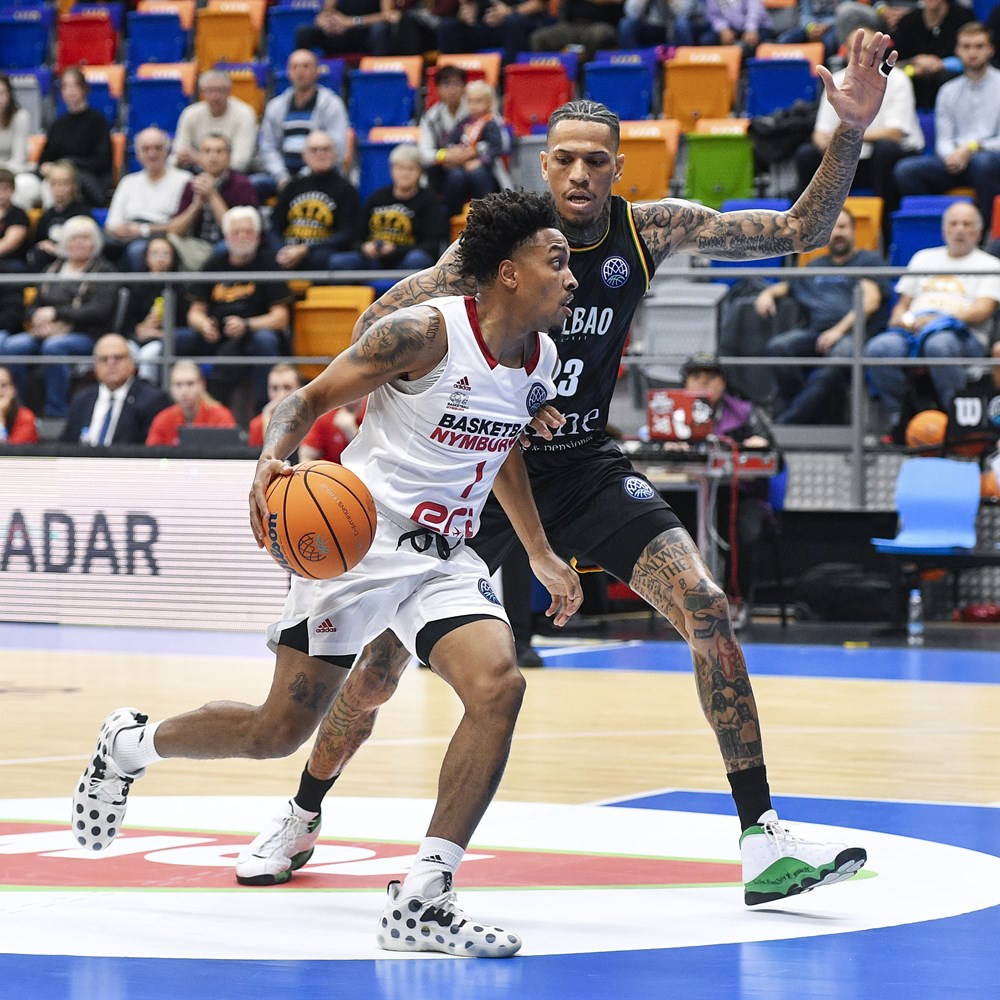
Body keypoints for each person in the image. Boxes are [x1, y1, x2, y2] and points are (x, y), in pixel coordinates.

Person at [236, 31, 892, 903]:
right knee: (379, 672)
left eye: (596, 161)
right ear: (543, 166)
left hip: (583, 468)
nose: (580, 174)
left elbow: (800, 228)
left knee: (705, 604)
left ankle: (761, 838)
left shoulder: (648, 230)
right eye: (565, 160)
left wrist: (849, 130)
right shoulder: (490, 257)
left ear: (620, 169)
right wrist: (464, 397)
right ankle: (302, 812)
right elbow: (376, 327)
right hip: (476, 483)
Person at [72, 189, 583, 958]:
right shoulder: (424, 332)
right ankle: (131, 745)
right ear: (509, 272)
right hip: (356, 544)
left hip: (442, 558)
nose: (572, 277)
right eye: (557, 261)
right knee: (275, 732)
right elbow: (307, 398)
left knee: (498, 687)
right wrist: (270, 460)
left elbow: (503, 441)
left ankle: (424, 898)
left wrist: (538, 550)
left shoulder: (540, 358)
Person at [865, 200, 1000, 431]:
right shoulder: (923, 258)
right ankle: (902, 418)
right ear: (944, 230)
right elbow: (903, 303)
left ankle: (956, 422)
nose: (959, 229)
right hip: (913, 329)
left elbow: (982, 310)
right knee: (879, 349)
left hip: (963, 334)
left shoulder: (990, 264)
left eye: (967, 224)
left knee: (938, 344)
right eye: (953, 224)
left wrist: (940, 321)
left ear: (979, 232)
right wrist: (900, 317)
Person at [678, 352, 780, 625]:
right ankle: (681, 603)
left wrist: (758, 445)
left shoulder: (745, 413)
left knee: (745, 531)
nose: (703, 383)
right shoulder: (672, 413)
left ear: (723, 382)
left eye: (711, 376)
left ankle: (737, 600)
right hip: (691, 497)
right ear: (685, 382)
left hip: (738, 498)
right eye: (696, 376)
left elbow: (776, 458)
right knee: (666, 529)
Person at [762, 207, 890, 424]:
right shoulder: (816, 265)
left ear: (853, 231)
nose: (837, 233)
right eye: (831, 228)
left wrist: (837, 331)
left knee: (836, 362)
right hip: (815, 333)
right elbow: (788, 287)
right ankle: (807, 413)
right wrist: (768, 293)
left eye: (842, 227)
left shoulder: (868, 261)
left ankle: (789, 423)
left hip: (854, 334)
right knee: (778, 348)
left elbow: (870, 301)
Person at [795, 25, 924, 240]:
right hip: (851, 160)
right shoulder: (836, 79)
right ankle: (806, 233)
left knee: (885, 150)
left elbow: (895, 133)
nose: (863, 54)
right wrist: (825, 142)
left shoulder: (897, 79)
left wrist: (845, 136)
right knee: (806, 155)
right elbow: (820, 133)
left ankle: (887, 232)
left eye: (869, 48)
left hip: (886, 158)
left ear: (879, 52)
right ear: (846, 51)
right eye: (857, 48)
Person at [0, 215, 116, 419]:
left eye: (85, 238)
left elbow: (99, 311)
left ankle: (56, 411)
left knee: (53, 347)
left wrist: (56, 313)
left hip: (86, 333)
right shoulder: (53, 269)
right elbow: (33, 305)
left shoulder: (104, 271)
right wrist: (37, 319)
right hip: (45, 331)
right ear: (65, 243)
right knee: (12, 346)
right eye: (74, 238)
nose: (79, 243)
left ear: (95, 243)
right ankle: (19, 409)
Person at [893, 22, 1000, 227]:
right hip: (955, 161)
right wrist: (951, 156)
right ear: (957, 50)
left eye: (979, 46)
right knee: (906, 171)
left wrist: (971, 148)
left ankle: (986, 234)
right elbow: (944, 138)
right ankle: (931, 230)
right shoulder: (948, 91)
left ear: (990, 50)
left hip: (989, 159)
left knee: (983, 164)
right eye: (966, 46)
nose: (972, 52)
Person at [185, 206, 292, 410]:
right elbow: (194, 312)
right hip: (216, 335)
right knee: (179, 339)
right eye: (236, 232)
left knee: (265, 340)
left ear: (258, 236)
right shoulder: (214, 264)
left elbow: (280, 317)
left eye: (248, 231)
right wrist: (203, 324)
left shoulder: (269, 264)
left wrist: (247, 324)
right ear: (226, 236)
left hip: (252, 335)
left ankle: (265, 409)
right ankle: (181, 408)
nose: (242, 236)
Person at [327, 144, 446, 273]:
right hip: (374, 259)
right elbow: (356, 235)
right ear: (391, 170)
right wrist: (364, 247)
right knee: (339, 261)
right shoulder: (378, 197)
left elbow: (432, 245)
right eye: (400, 168)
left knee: (417, 259)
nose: (405, 173)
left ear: (420, 172)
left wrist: (395, 250)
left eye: (411, 169)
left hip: (405, 260)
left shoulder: (428, 200)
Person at [254, 49, 350, 201]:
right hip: (281, 178)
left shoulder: (332, 104)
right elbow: (267, 147)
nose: (300, 71)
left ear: (317, 71)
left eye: (306, 66)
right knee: (249, 186)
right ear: (288, 72)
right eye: (295, 67)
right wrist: (282, 177)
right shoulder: (275, 106)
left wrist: (302, 180)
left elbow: (337, 147)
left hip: (320, 176)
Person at [270, 130, 363, 272]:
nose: (320, 154)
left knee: (326, 258)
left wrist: (305, 249)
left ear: (335, 153)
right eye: (314, 150)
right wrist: (282, 250)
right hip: (289, 249)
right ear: (304, 156)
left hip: (321, 253)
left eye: (326, 149)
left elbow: (346, 234)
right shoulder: (292, 186)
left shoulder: (346, 190)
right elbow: (275, 228)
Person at [167, 133, 259, 271]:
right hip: (198, 246)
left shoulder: (242, 184)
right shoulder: (192, 184)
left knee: (224, 248)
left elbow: (236, 230)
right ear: (199, 157)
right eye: (207, 151)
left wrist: (213, 195)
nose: (213, 156)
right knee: (164, 244)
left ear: (229, 157)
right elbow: (174, 230)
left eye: (219, 151)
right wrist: (195, 206)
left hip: (230, 245)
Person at [103, 128, 192, 272]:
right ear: (137, 154)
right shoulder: (128, 181)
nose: (152, 154)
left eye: (157, 148)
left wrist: (143, 230)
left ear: (167, 151)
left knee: (138, 250)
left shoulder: (184, 180)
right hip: (127, 236)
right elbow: (112, 223)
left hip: (166, 238)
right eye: (146, 149)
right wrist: (122, 229)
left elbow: (182, 225)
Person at [59, 333, 171, 446]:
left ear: (131, 362)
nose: (111, 364)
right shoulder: (81, 400)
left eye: (118, 358)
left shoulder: (152, 400)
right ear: (95, 365)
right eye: (104, 359)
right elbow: (66, 444)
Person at [120, 237, 198, 383]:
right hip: (138, 338)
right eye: (155, 254)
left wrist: (159, 333)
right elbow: (125, 323)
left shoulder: (181, 288)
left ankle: (149, 391)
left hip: (163, 340)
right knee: (124, 351)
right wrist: (139, 328)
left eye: (165, 254)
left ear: (173, 258)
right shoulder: (136, 286)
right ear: (146, 258)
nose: (160, 258)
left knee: (148, 355)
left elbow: (184, 325)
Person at [247, 362, 360, 461]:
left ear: (300, 389)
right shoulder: (257, 424)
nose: (281, 395)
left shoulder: (318, 418)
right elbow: (259, 463)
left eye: (287, 387)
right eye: (274, 388)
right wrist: (267, 420)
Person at [37, 67, 113, 208]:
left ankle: (58, 217)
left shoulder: (98, 121)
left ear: (84, 89)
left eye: (75, 86)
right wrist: (47, 167)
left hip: (88, 180)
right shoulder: (58, 124)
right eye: (66, 86)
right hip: (56, 177)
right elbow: (44, 159)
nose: (71, 91)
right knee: (28, 183)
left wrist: (68, 164)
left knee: (54, 185)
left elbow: (102, 161)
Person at [885, 0, 975, 111]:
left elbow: (973, 56)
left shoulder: (963, 16)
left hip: (956, 94)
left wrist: (942, 64)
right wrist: (913, 63)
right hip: (913, 95)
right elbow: (892, 65)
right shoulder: (908, 22)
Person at [440, 80, 511, 218]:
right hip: (462, 166)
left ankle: (485, 216)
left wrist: (480, 161)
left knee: (477, 174)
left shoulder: (491, 122)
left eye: (478, 101)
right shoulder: (465, 121)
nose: (473, 106)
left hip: (486, 169)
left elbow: (497, 147)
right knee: (454, 177)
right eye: (470, 101)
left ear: (488, 103)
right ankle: (452, 217)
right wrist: (453, 150)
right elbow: (450, 140)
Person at [172, 71, 258, 175]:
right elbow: (179, 153)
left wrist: (198, 158)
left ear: (229, 91)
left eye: (220, 90)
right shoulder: (190, 113)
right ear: (202, 93)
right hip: (196, 172)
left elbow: (240, 162)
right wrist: (182, 158)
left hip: (234, 176)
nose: (215, 96)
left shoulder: (244, 114)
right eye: (210, 91)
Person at [144, 359, 238, 446]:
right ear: (170, 388)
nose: (184, 391)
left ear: (202, 385)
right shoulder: (163, 419)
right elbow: (152, 453)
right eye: (178, 384)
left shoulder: (221, 416)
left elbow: (230, 452)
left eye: (190, 384)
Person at [24, 160, 91, 272]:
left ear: (74, 185)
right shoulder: (47, 215)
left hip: (75, 265)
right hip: (48, 265)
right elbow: (37, 242)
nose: (60, 188)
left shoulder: (82, 214)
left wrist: (58, 250)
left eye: (65, 183)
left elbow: (88, 246)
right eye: (55, 183)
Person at [437, 0, 553, 63]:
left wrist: (508, 12)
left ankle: (512, 80)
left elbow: (539, 4)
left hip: (522, 24)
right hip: (486, 25)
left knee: (513, 23)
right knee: (447, 27)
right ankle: (451, 78)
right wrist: (467, 13)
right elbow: (466, 5)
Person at [418, 64, 469, 202]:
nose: (452, 89)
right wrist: (445, 155)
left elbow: (501, 142)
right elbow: (423, 153)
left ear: (464, 87)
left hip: (475, 164)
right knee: (453, 176)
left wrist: (469, 155)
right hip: (443, 169)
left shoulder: (477, 109)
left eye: (457, 83)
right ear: (438, 88)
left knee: (478, 174)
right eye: (446, 84)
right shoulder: (431, 117)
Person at [529, 0, 623, 62]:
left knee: (595, 36)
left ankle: (589, 81)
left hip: (601, 24)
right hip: (573, 25)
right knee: (539, 38)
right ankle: (547, 82)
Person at [293, 0, 394, 57]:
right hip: (340, 33)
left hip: (366, 34)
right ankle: (303, 68)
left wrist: (352, 22)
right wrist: (324, 22)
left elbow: (387, 16)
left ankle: (376, 74)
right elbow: (325, 12)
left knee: (380, 28)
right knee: (304, 32)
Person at [0, 73, 40, 212]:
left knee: (25, 185)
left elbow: (19, 160)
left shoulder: (20, 117)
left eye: (1, 94)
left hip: (15, 173)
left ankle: (14, 222)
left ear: (9, 95)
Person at [698, 0, 772, 52]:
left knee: (753, 42)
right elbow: (713, 15)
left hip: (757, 26)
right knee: (707, 40)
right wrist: (723, 29)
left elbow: (754, 10)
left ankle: (750, 68)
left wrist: (751, 29)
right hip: (730, 28)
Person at [618, 0, 694, 49]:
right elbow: (630, 12)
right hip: (645, 27)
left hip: (670, 29)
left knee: (682, 24)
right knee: (626, 24)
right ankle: (631, 62)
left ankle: (683, 62)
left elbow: (684, 13)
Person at [0, 363, 38, 444]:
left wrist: (0, 417)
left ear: (13, 390)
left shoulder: (25, 418)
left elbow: (8, 451)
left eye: (3, 385)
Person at [0, 167, 29, 273]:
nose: (1, 194)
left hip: (12, 262)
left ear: (13, 190)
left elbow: (9, 244)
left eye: (5, 188)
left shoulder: (19, 215)